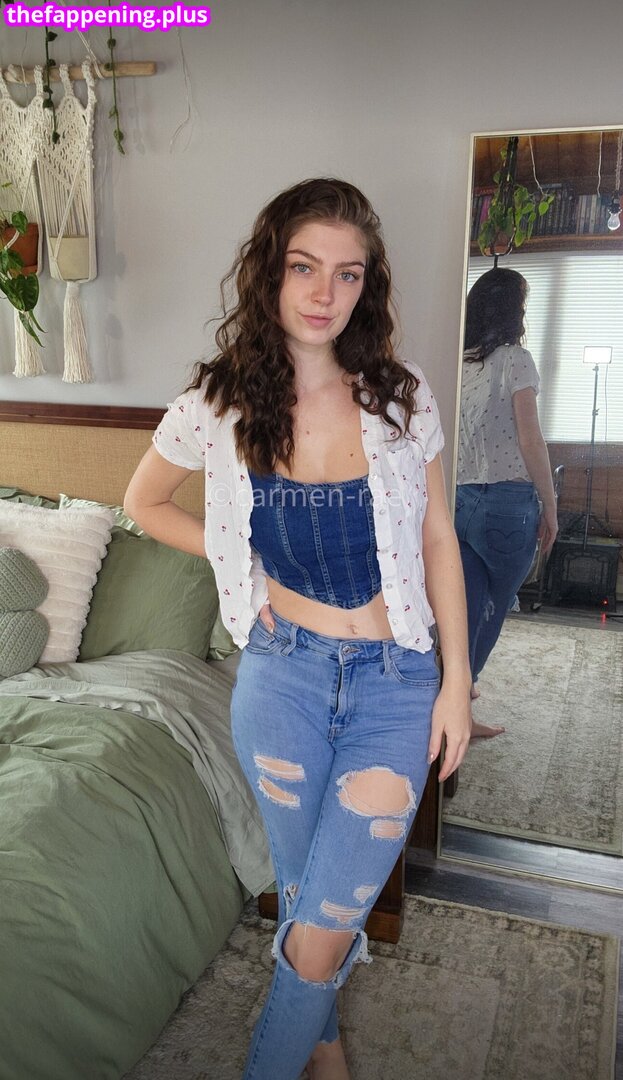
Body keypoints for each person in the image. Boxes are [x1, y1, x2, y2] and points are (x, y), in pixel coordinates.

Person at [124, 177, 472, 1080]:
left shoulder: (402, 397)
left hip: (395, 684)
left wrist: (457, 687)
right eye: (304, 267)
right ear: (269, 273)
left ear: (367, 286)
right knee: (307, 906)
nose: (325, 293)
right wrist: (237, 562)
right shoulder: (216, 403)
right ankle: (329, 1061)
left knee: (323, 926)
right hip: (281, 679)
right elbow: (142, 503)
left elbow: (437, 538)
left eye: (348, 274)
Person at [455, 267, 558, 738]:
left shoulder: (459, 361)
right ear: (512, 310)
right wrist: (550, 505)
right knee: (493, 609)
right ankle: (460, 706)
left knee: (465, 609)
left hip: (459, 500)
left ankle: (459, 688)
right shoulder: (516, 360)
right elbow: (530, 438)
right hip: (507, 505)